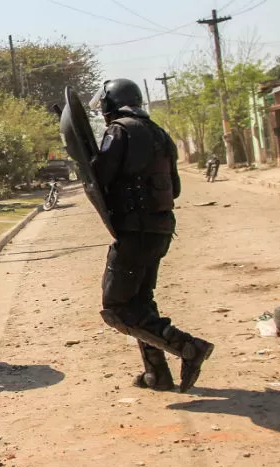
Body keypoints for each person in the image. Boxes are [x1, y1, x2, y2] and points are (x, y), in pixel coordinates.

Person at [90, 78, 214, 393]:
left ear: (110, 103)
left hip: (135, 232)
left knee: (116, 308)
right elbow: (177, 187)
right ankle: (157, 374)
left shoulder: (119, 130)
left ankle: (188, 347)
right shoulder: (160, 133)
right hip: (159, 231)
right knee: (140, 303)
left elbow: (101, 176)